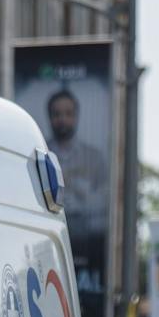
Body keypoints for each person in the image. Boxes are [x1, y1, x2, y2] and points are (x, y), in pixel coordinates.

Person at [46, 88, 108, 238]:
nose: (62, 120)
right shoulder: (41, 154)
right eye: (57, 114)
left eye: (68, 114)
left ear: (76, 117)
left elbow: (104, 202)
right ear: (50, 117)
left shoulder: (94, 158)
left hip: (86, 237)